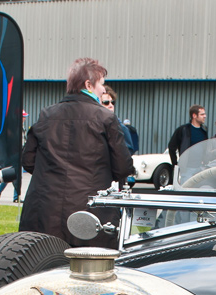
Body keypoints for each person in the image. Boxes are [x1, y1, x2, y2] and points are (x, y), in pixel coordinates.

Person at [19, 57, 134, 247]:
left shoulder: (46, 115)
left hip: (45, 210)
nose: (104, 90)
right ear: (89, 85)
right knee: (89, 272)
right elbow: (123, 167)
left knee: (43, 270)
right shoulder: (106, 118)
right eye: (101, 84)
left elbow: (28, 160)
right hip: (90, 212)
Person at [102, 85, 135, 154]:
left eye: (112, 102)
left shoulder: (120, 127)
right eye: (106, 102)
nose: (111, 105)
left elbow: (129, 152)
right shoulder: (93, 125)